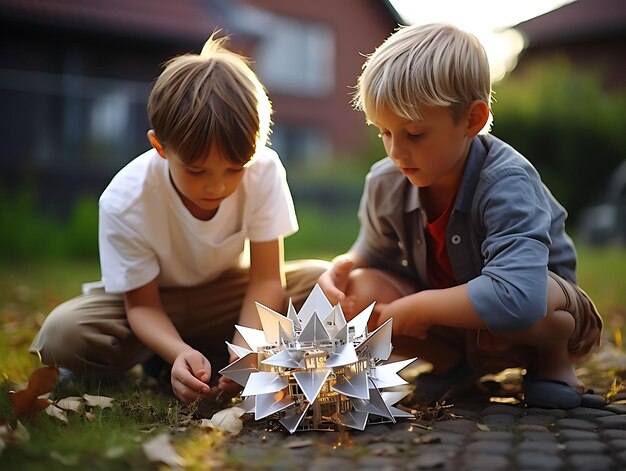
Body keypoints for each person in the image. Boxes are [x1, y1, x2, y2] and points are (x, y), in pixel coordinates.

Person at [30, 34, 328, 404]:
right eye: (197, 171)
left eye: (235, 169)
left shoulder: (263, 169)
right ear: (160, 147)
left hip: (226, 294)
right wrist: (175, 350)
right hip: (150, 302)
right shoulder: (126, 199)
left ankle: (218, 355)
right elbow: (141, 305)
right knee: (63, 335)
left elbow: (267, 278)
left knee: (322, 283)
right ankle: (168, 358)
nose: (217, 186)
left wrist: (248, 345)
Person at [318, 23, 603, 409]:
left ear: (472, 120)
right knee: (358, 290)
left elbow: (518, 298)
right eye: (384, 132)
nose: (395, 152)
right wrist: (338, 269)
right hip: (457, 326)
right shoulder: (387, 181)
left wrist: (418, 307)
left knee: (526, 292)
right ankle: (454, 366)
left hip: (534, 320)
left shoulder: (506, 181)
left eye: (414, 134)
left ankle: (552, 363)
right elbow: (370, 253)